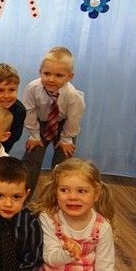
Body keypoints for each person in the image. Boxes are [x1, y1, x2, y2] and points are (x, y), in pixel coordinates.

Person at [32, 159, 134, 271]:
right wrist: (67, 253)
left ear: (96, 193)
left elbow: (105, 270)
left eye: (82, 191)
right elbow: (49, 257)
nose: (73, 197)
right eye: (64, 190)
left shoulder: (101, 227)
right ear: (56, 192)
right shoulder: (49, 218)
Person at [22, 47, 85, 193]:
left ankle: (57, 198)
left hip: (64, 126)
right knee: (31, 160)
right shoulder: (32, 88)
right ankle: (23, 197)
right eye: (47, 73)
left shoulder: (73, 96)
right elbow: (29, 112)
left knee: (63, 164)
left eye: (59, 75)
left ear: (70, 76)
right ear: (40, 71)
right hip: (40, 125)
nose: (51, 79)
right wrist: (34, 135)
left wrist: (66, 139)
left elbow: (73, 119)